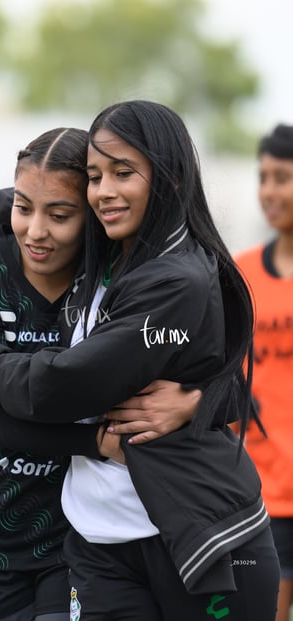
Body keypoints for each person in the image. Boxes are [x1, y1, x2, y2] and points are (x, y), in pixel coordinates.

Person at [0, 100, 280, 620]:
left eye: (123, 173)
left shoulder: (175, 278)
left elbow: (64, 384)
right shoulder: (104, 243)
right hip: (88, 541)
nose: (105, 191)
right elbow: (39, 193)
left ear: (170, 178)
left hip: (194, 535)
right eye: (97, 177)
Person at [234, 124, 293, 621]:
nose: (269, 191)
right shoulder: (241, 274)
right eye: (263, 177)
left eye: (283, 177)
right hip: (261, 496)